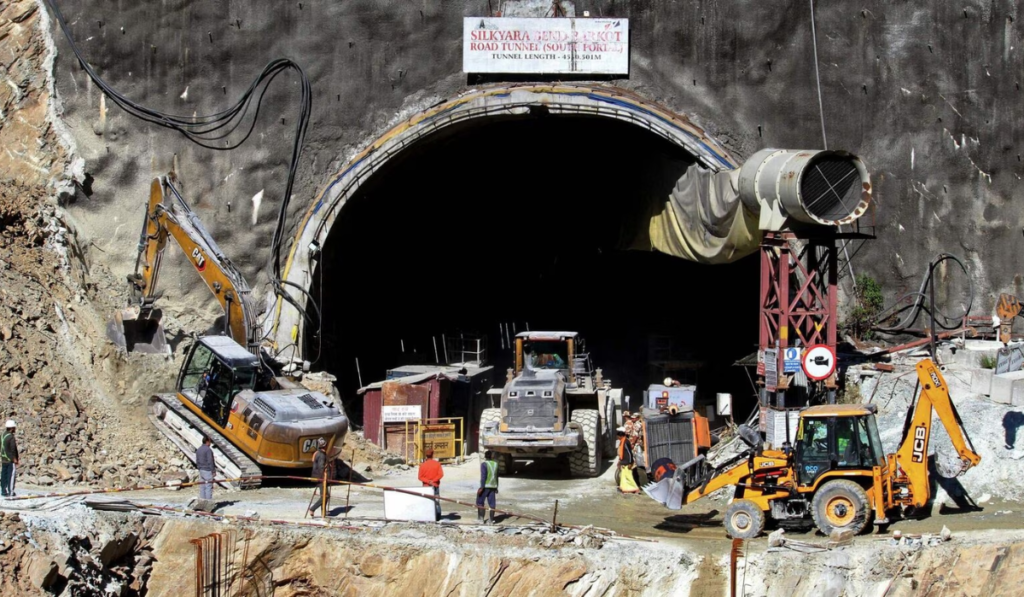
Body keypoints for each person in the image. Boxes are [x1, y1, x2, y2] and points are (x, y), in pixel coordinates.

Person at [417, 447, 444, 521]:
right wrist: (433, 481)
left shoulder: (422, 465)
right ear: (432, 454)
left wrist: (428, 482)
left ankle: (427, 516)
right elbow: (441, 475)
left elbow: (420, 477)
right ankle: (438, 517)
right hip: (435, 486)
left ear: (426, 455)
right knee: (437, 501)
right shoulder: (437, 464)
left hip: (426, 487)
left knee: (426, 501)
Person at [308, 438, 330, 517]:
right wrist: (324, 477)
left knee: (325, 495)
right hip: (321, 478)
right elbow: (321, 467)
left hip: (318, 477)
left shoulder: (317, 453)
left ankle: (323, 513)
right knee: (325, 495)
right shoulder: (321, 455)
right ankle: (312, 509)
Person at [476, 451, 499, 525]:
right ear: (492, 456)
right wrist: (496, 487)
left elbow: (483, 477)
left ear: (485, 456)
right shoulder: (496, 464)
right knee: (492, 504)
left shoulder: (484, 464)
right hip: (493, 486)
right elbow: (496, 477)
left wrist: (481, 487)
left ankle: (481, 519)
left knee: (480, 502)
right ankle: (491, 520)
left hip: (486, 486)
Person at [1, 420, 19, 498]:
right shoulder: (11, 437)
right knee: (11, 476)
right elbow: (13, 449)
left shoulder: (3, 435)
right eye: (14, 427)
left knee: (4, 475)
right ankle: (10, 491)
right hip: (10, 460)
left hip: (3, 459)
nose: (15, 429)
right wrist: (15, 459)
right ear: (11, 428)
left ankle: (4, 491)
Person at [195, 436, 215, 501]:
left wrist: (199, 468)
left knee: (202, 487)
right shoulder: (208, 450)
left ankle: (202, 502)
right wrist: (213, 471)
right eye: (210, 442)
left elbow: (197, 460)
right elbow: (210, 461)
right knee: (208, 487)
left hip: (201, 470)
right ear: (207, 441)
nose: (211, 443)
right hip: (207, 470)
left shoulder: (199, 449)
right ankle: (208, 503)